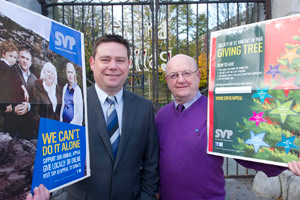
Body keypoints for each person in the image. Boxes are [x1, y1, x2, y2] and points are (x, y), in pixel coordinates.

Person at [155, 54, 300, 200]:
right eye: (174, 75)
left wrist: (286, 161)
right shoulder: (161, 116)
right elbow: (152, 158)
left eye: (186, 73)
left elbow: (246, 150)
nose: (181, 80)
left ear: (198, 75)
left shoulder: (218, 112)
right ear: (167, 80)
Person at [65, 34, 159, 200]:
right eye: (105, 59)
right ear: (92, 63)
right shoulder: (72, 104)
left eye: (120, 60)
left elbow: (151, 162)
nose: (113, 66)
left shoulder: (144, 108)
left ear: (129, 64)